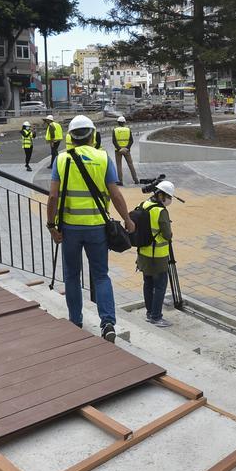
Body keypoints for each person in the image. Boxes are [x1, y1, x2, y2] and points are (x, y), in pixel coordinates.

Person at [46, 115, 134, 342]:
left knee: (72, 276)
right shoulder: (103, 158)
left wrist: (51, 225)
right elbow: (115, 194)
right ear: (93, 135)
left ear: (71, 137)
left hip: (70, 229)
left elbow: (53, 196)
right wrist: (127, 219)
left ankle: (75, 321)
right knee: (101, 276)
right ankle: (107, 323)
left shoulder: (61, 160)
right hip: (97, 229)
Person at [137, 180, 175, 327]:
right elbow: (167, 235)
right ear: (161, 195)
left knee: (148, 283)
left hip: (143, 253)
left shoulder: (144, 204)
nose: (169, 200)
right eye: (168, 197)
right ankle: (156, 316)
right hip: (158, 255)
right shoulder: (160, 211)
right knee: (160, 286)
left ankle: (149, 312)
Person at [111, 116, 138, 185]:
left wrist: (120, 149)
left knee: (119, 165)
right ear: (124, 122)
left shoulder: (115, 130)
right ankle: (136, 180)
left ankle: (120, 181)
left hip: (118, 151)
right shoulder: (128, 130)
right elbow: (131, 140)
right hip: (127, 151)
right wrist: (127, 148)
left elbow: (114, 141)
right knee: (130, 164)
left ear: (118, 122)